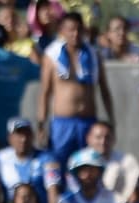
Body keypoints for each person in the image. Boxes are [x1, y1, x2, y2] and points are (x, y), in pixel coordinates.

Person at [37, 12, 113, 166]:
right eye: (70, 29)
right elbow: (45, 93)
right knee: (59, 165)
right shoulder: (52, 55)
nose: (75, 34)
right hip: (62, 123)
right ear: (62, 30)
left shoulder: (93, 55)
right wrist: (41, 124)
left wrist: (112, 121)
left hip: (88, 122)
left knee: (90, 167)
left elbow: (104, 90)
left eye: (79, 29)